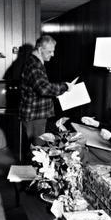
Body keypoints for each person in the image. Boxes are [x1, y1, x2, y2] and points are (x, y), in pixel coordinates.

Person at [19, 35, 73, 164]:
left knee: (36, 147)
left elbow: (39, 87)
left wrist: (56, 91)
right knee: (37, 149)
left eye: (53, 51)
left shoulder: (36, 62)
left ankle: (32, 174)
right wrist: (64, 86)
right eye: (49, 51)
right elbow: (43, 89)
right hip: (34, 115)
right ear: (39, 49)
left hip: (35, 113)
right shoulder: (34, 66)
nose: (53, 54)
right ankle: (32, 177)